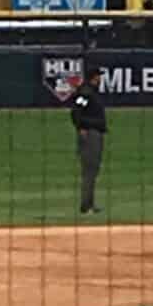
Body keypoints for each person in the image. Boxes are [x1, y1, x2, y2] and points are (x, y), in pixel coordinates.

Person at [70, 64, 107, 215]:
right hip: (90, 134)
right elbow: (76, 111)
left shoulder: (91, 92)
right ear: (94, 77)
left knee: (92, 170)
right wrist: (81, 127)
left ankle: (89, 203)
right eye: (99, 76)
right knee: (89, 170)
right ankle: (86, 205)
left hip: (95, 133)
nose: (100, 79)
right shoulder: (86, 92)